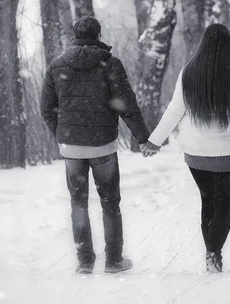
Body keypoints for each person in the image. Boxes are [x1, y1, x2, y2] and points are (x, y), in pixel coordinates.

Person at [143, 23, 230, 273]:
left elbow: (175, 109)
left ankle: (210, 251)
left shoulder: (189, 72)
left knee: (207, 200)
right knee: (223, 204)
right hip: (229, 154)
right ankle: (214, 252)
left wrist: (154, 140)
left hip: (197, 154)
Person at [41, 16, 154, 274]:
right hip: (102, 146)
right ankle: (113, 260)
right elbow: (126, 103)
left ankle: (84, 262)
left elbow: (46, 107)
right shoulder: (109, 64)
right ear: (98, 35)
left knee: (78, 203)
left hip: (71, 148)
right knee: (110, 203)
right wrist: (142, 137)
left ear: (74, 34)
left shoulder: (57, 65)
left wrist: (61, 134)